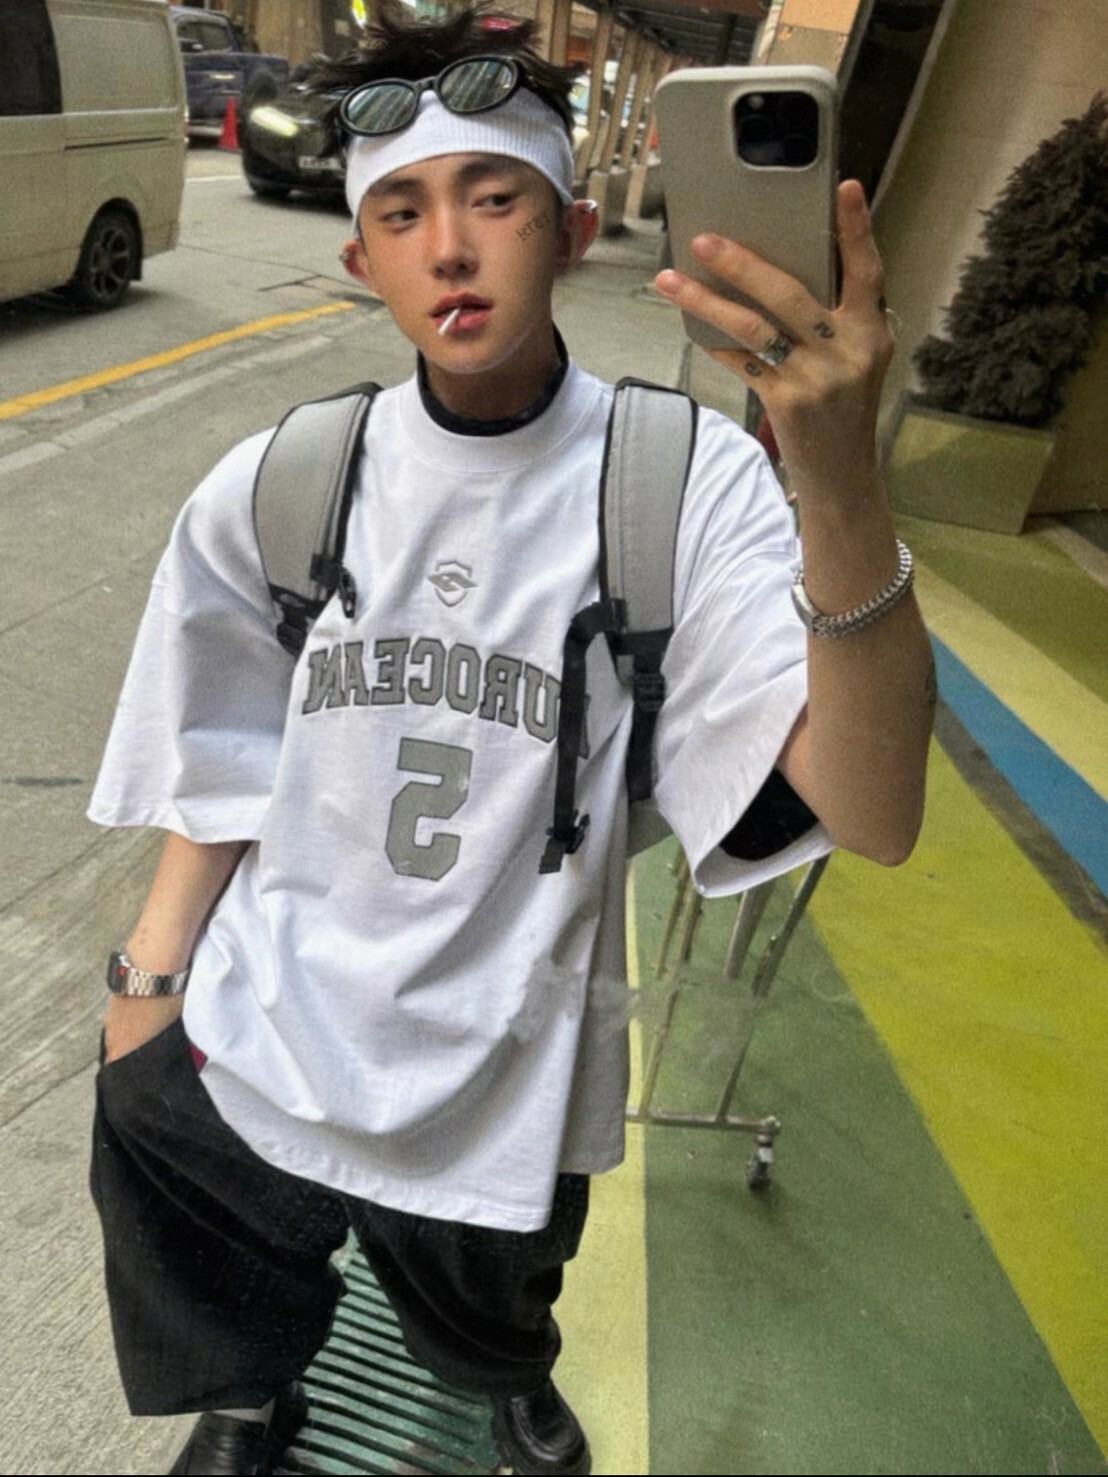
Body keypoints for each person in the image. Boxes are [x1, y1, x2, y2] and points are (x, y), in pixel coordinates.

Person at [87, 8, 935, 1476]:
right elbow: (221, 747)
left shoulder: (680, 482)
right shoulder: (287, 480)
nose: (450, 249)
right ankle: (252, 1398)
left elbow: (875, 812)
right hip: (268, 1016)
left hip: (506, 1061)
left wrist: (839, 478)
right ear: (361, 262)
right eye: (402, 213)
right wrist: (148, 982)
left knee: (488, 1311)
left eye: (494, 198)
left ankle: (511, 1389)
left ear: (574, 229)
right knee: (215, 1253)